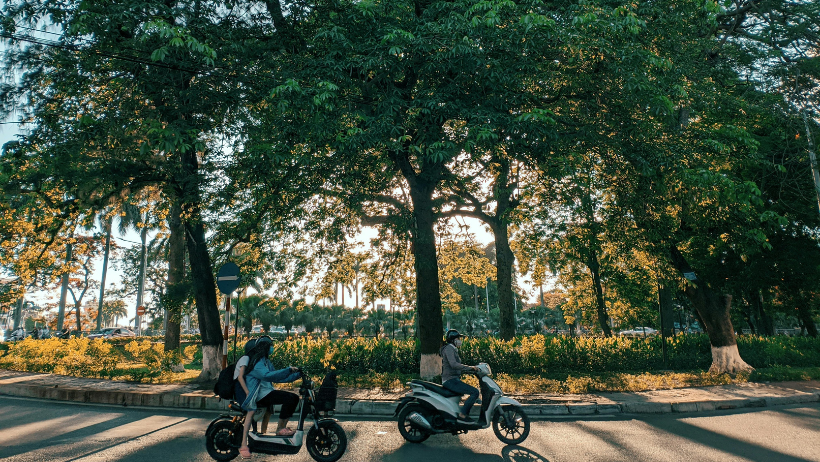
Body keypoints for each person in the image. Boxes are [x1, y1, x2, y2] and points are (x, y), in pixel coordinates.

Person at [238, 335, 301, 459]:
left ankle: (281, 428)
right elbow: (267, 376)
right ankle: (281, 429)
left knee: (293, 398)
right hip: (259, 395)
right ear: (264, 348)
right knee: (291, 398)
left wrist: (296, 374)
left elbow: (278, 377)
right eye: (270, 346)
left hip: (267, 392)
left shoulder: (266, 362)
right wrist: (288, 370)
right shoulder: (256, 363)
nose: (272, 348)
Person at [440, 329, 479, 423]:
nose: (459, 340)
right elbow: (453, 364)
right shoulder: (449, 348)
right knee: (475, 392)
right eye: (458, 338)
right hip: (450, 380)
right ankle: (463, 414)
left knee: (473, 391)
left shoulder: (452, 349)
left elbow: (455, 367)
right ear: (453, 339)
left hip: (454, 379)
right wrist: (470, 368)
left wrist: (470, 370)